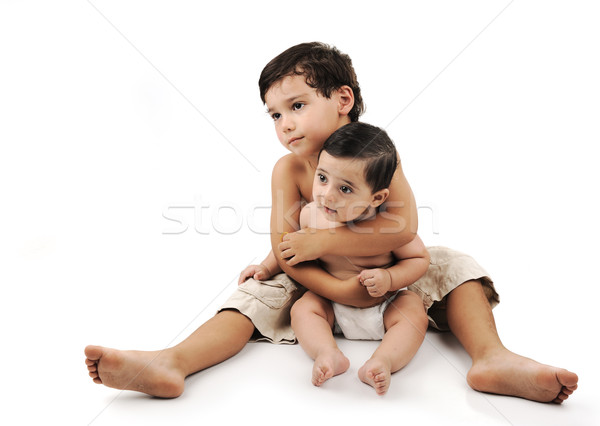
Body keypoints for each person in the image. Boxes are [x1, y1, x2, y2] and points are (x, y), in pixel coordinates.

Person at [85, 42, 578, 404]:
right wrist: (330, 288)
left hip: (386, 275)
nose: (286, 125)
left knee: (456, 265)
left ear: (343, 100)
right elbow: (286, 247)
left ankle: (490, 357)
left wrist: (330, 243)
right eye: (275, 115)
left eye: (297, 106)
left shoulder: (376, 154)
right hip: (318, 280)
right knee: (253, 291)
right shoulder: (287, 170)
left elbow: (402, 229)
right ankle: (173, 363)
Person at [287, 122, 430, 396]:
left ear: (377, 198)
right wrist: (266, 266)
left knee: (412, 309)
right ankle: (328, 353)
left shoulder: (388, 227)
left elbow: (419, 259)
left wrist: (390, 278)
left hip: (384, 304)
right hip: (331, 306)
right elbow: (288, 246)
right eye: (323, 178)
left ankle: (382, 360)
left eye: (346, 189)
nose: (327, 195)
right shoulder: (310, 216)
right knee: (304, 308)